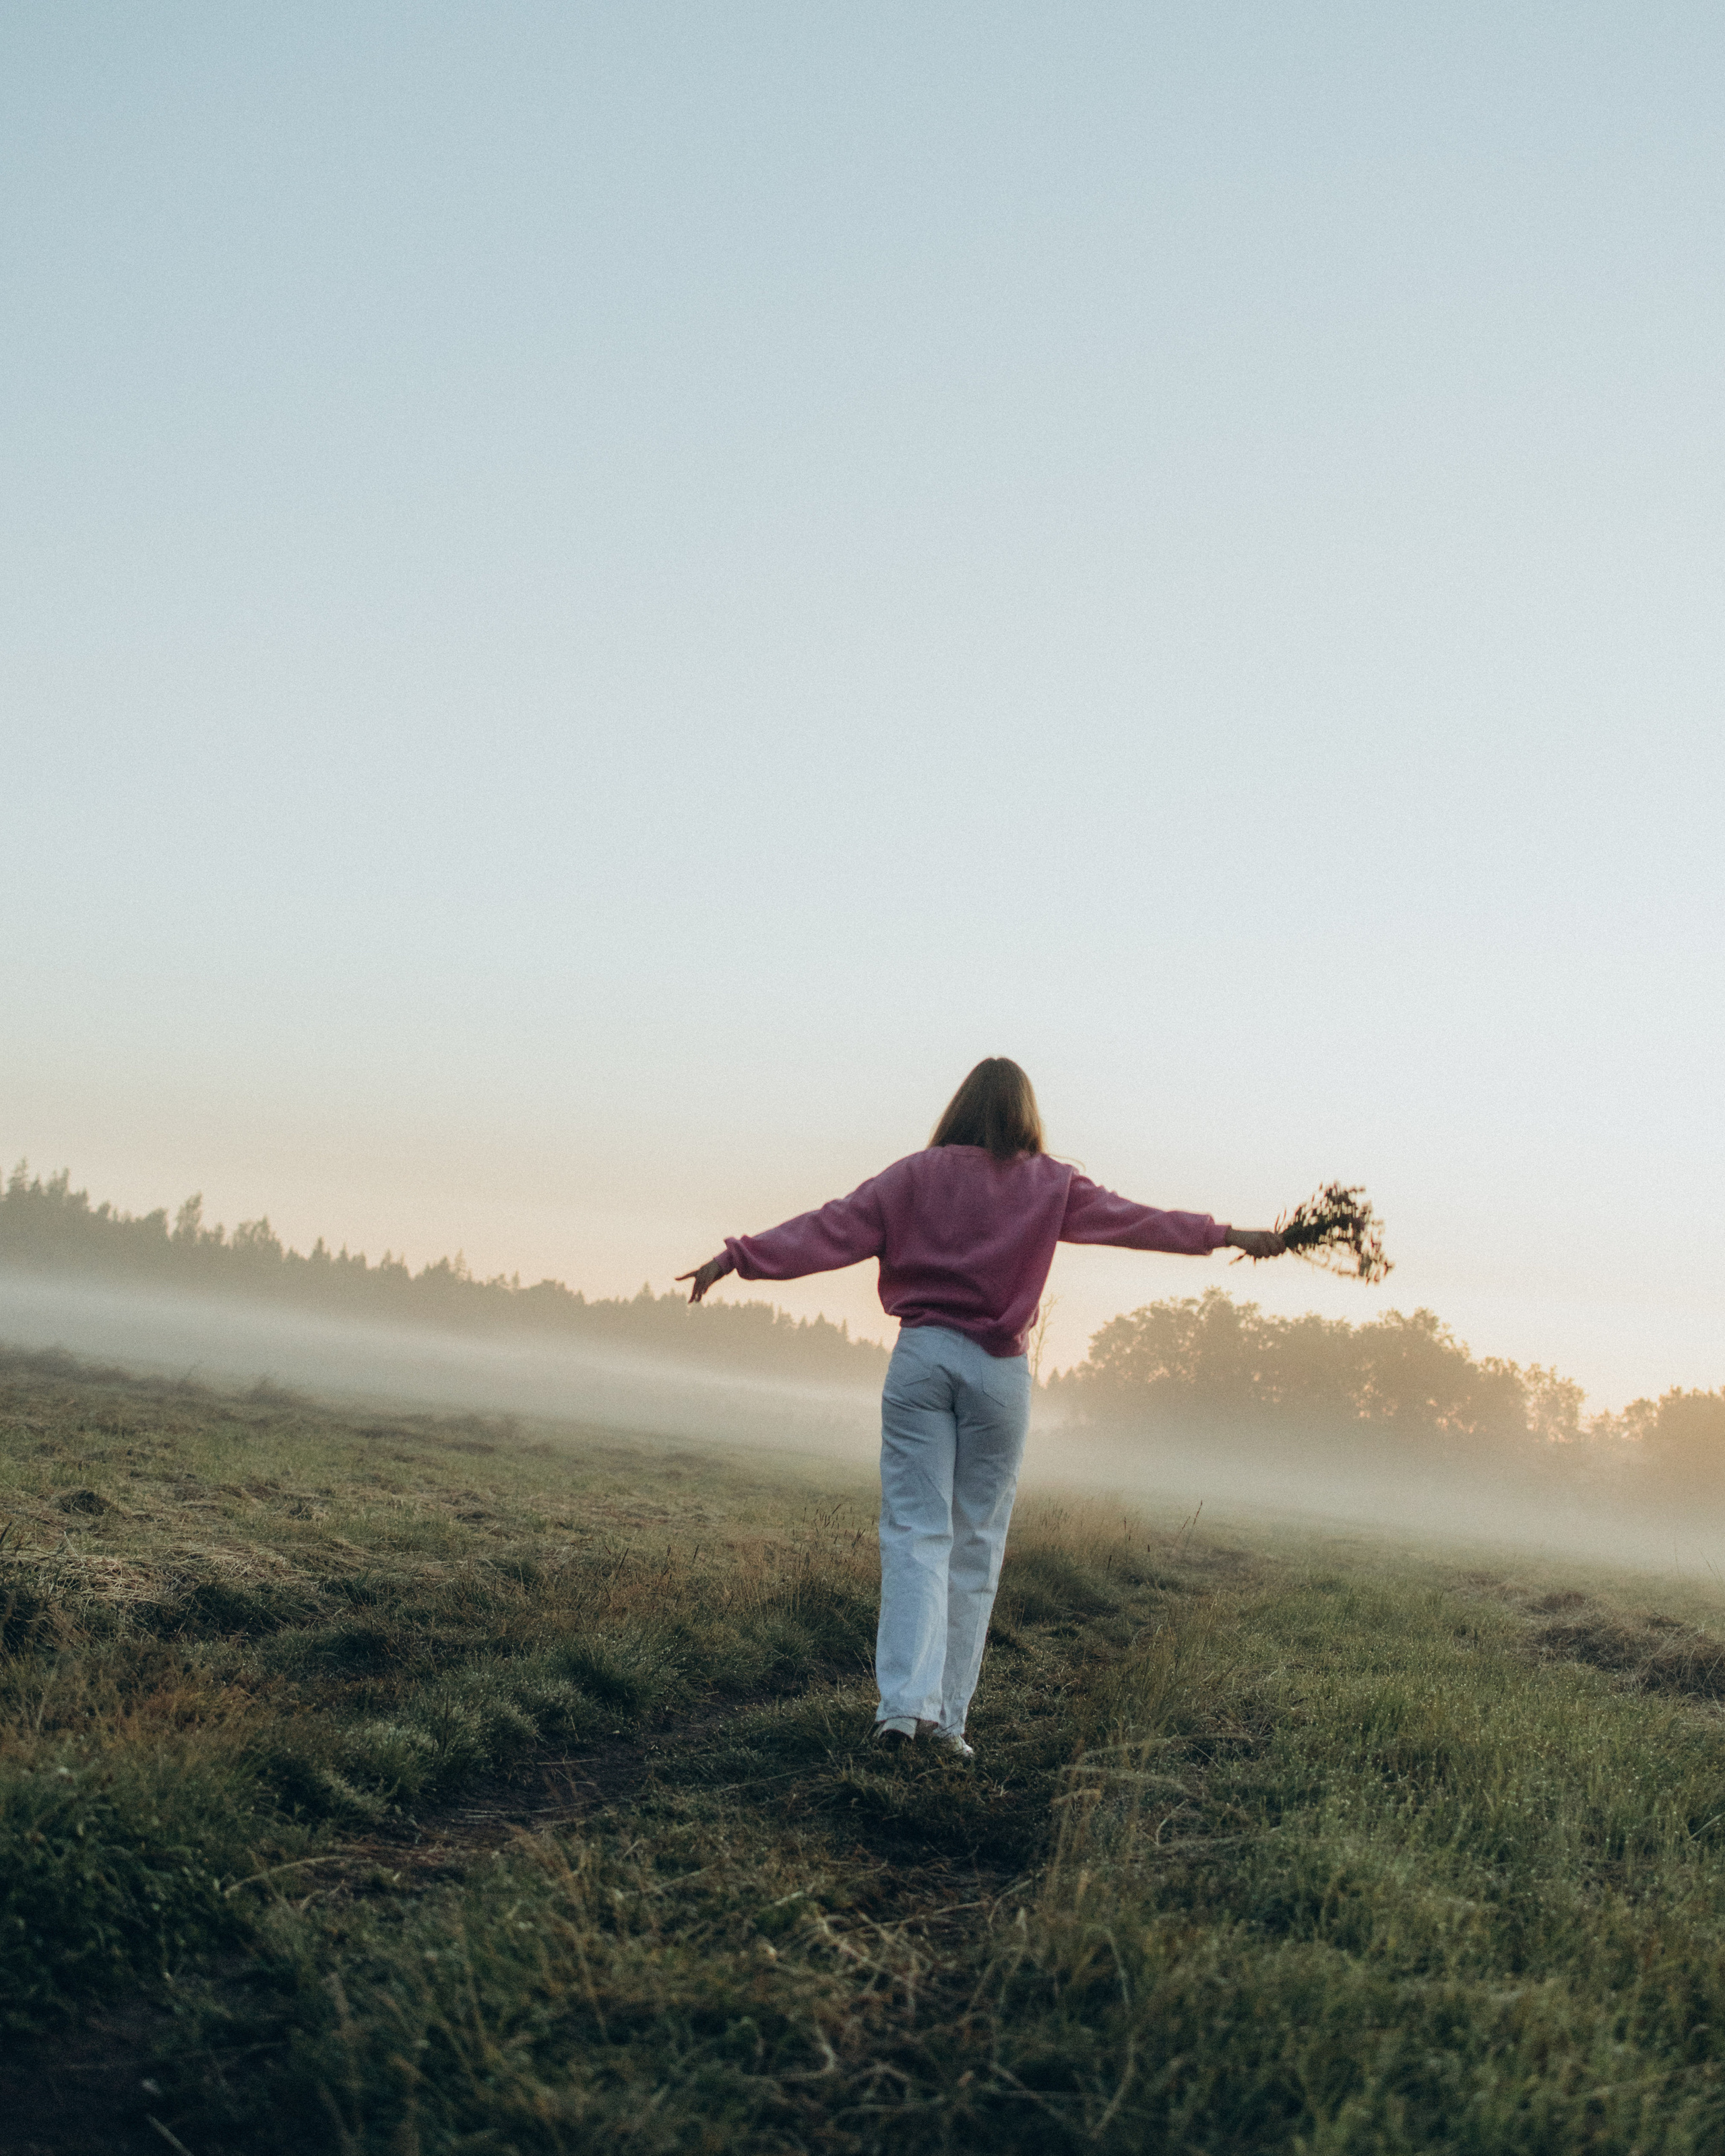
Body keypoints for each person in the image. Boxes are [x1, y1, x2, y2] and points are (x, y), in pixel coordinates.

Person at [677, 1057, 1286, 1759]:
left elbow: (830, 1227)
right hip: (998, 1371)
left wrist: (735, 1258)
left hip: (923, 1357)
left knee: (913, 1533)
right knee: (975, 1544)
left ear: (959, 1107)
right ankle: (950, 1723)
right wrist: (1228, 1234)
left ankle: (900, 1712)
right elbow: (1136, 1221)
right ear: (1026, 1113)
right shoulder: (1052, 1183)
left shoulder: (913, 1174)